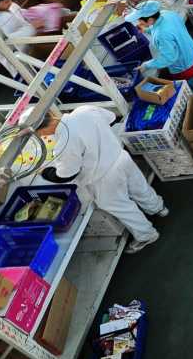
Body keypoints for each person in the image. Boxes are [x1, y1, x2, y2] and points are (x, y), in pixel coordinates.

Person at [28, 106, 167, 252]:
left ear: (41, 131)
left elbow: (66, 175)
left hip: (103, 177)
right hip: (120, 157)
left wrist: (44, 172)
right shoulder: (84, 110)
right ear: (50, 113)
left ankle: (146, 235)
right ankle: (158, 208)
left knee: (122, 207)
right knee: (140, 188)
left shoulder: (64, 143)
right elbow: (111, 118)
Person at [126, 0, 193, 89]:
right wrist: (146, 30)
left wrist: (147, 65)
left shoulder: (161, 34)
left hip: (185, 68)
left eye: (140, 20)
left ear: (150, 19)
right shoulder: (167, 14)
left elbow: (169, 58)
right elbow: (167, 29)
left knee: (192, 89)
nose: (139, 23)